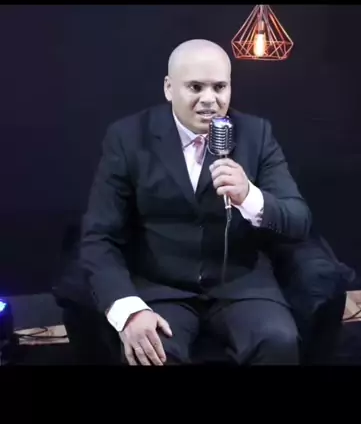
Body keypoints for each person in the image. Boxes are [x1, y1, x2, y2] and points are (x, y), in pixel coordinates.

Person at [80, 38, 312, 365]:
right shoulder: (128, 138)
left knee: (278, 341)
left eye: (219, 87)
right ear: (169, 88)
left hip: (240, 283)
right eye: (195, 87)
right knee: (153, 355)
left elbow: (298, 219)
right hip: (161, 287)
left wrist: (250, 196)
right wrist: (128, 310)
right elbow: (99, 236)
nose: (209, 100)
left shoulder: (256, 134)